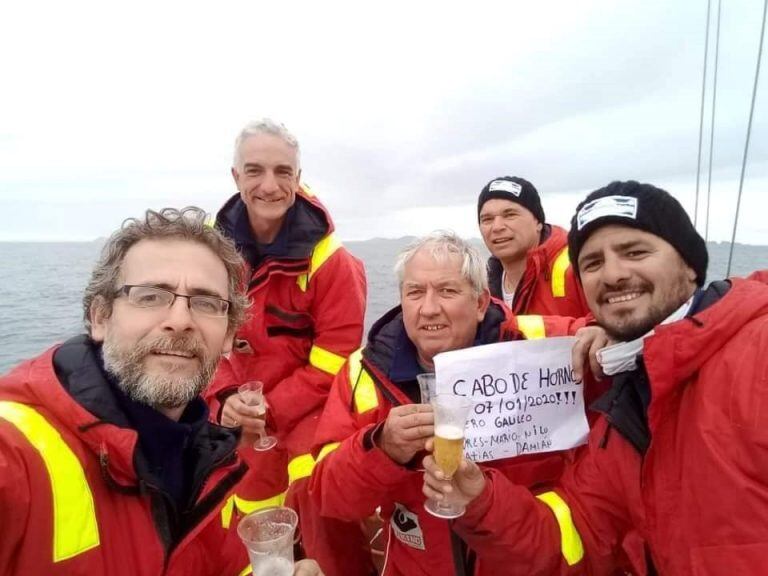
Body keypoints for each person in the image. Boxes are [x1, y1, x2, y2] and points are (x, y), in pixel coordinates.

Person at [424, 181, 768, 575]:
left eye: (635, 251)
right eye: (593, 263)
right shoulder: (622, 416)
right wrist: (482, 499)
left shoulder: (756, 354)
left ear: (690, 264)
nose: (614, 274)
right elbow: (574, 536)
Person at [0, 207, 323, 576]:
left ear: (230, 337)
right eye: (151, 296)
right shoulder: (18, 452)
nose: (180, 321)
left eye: (205, 303)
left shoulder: (211, 465)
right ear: (100, 317)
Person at [309, 231, 601, 576]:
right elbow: (328, 496)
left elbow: (620, 334)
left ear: (480, 304)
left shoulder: (537, 344)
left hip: (523, 559)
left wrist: (603, 333)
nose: (429, 308)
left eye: (447, 291)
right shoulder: (363, 371)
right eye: (415, 292)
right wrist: (380, 446)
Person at [202, 119, 370, 575]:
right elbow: (200, 340)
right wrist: (224, 401)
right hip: (241, 410)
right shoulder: (210, 253)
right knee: (246, 513)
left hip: (311, 416)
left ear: (297, 177)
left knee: (321, 504)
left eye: (283, 172)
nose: (269, 185)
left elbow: (336, 361)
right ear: (236, 178)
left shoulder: (333, 263)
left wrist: (266, 408)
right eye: (254, 171)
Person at [477, 176, 589, 317]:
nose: (497, 227)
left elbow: (611, 327)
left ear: (538, 222)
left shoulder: (579, 267)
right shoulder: (482, 286)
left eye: (510, 215)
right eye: (487, 219)